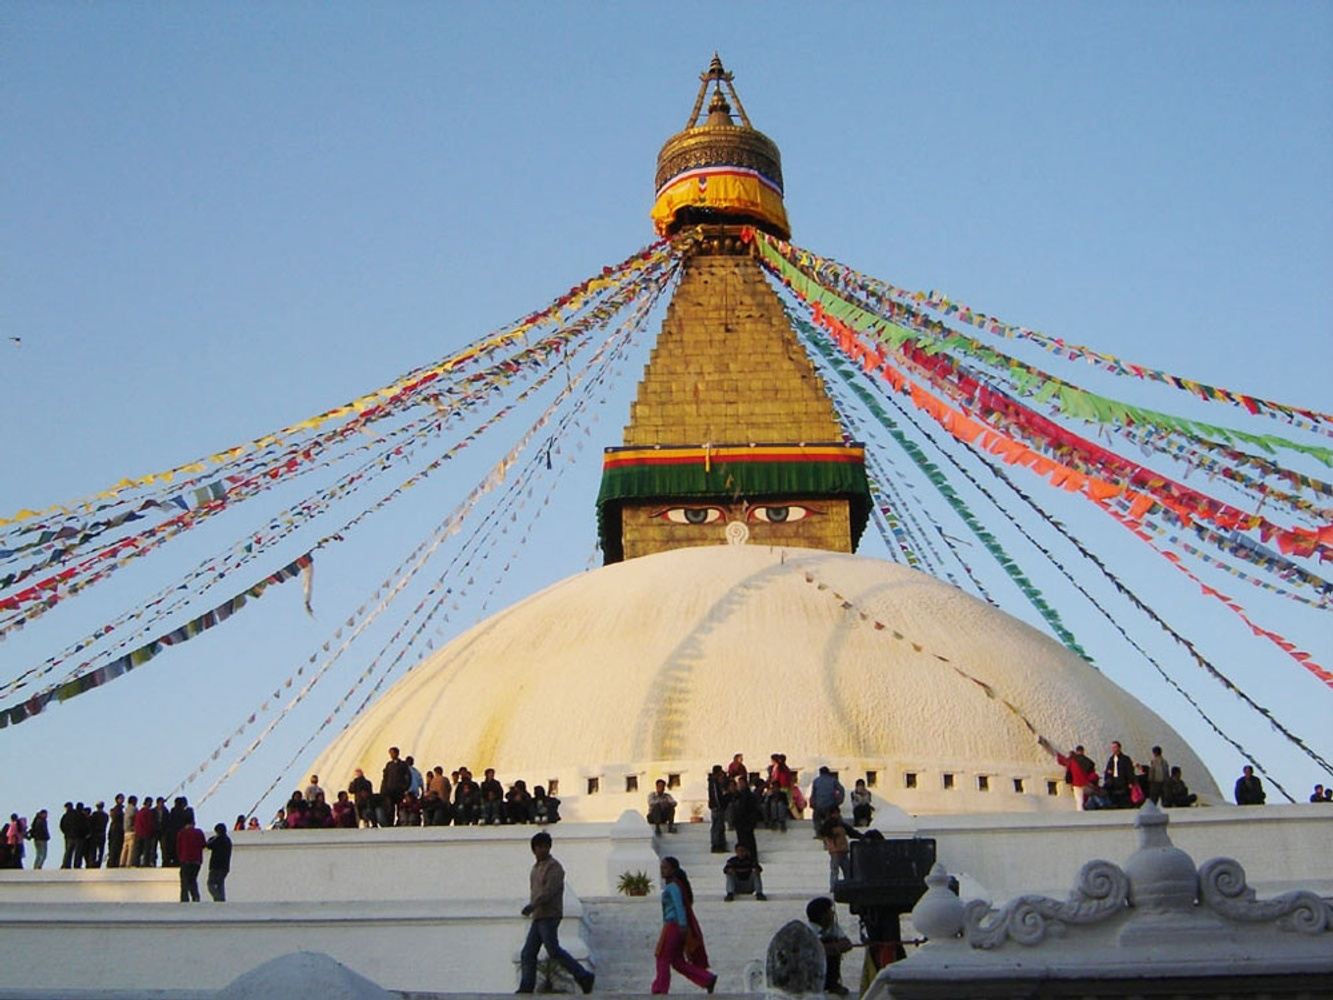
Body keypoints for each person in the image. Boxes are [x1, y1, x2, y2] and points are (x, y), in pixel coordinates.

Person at [516, 831, 594, 995]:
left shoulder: (555, 868)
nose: (543, 850)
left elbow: (549, 892)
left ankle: (583, 975)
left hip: (550, 915)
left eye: (545, 846)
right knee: (528, 952)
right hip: (539, 915)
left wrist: (532, 905)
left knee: (553, 950)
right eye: (539, 847)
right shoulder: (535, 869)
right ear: (534, 849)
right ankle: (526, 986)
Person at [652, 856, 716, 994]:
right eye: (661, 868)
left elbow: (679, 906)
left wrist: (682, 924)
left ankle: (660, 988)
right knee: (677, 961)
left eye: (665, 867)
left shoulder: (672, 887)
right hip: (676, 926)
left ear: (673, 869)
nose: (662, 870)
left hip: (673, 925)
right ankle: (706, 979)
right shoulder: (676, 885)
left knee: (662, 956)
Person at [806, 896, 854, 996]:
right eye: (830, 911)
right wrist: (834, 948)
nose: (833, 913)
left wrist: (831, 948)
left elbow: (847, 944)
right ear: (822, 915)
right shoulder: (808, 932)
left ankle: (833, 985)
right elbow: (813, 950)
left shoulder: (832, 928)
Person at [820, 809, 862, 892]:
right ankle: (846, 886)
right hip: (840, 850)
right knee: (845, 871)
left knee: (837, 871)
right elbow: (852, 832)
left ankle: (835, 887)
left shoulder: (828, 825)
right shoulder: (839, 825)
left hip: (837, 851)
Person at [175, 817, 206, 903]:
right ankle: (195, 897)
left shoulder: (181, 833)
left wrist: (180, 858)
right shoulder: (199, 832)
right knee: (193, 879)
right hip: (197, 860)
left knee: (184, 881)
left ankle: (185, 899)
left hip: (185, 860)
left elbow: (178, 847)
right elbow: (203, 845)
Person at [809, 766, 845, 835]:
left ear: (820, 773)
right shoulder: (833, 780)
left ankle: (819, 833)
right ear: (828, 773)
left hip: (819, 806)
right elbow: (841, 789)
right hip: (831, 806)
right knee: (836, 816)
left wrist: (813, 805)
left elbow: (813, 795)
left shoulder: (816, 781)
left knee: (816, 818)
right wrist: (839, 800)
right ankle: (838, 831)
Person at [380, 747, 411, 826]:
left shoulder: (403, 764)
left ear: (397, 753)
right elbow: (385, 778)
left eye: (392, 753)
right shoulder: (389, 765)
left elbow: (408, 777)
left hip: (399, 790)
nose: (391, 755)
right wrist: (384, 789)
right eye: (390, 753)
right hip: (390, 791)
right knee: (390, 808)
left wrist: (405, 787)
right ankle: (390, 822)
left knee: (400, 807)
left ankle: (400, 822)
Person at [205, 823, 232, 902]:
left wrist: (213, 838)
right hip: (225, 867)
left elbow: (208, 845)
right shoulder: (228, 840)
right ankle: (222, 899)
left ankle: (218, 898)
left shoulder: (217, 839)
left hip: (215, 866)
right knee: (220, 884)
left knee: (210, 884)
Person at [1103, 741, 1134, 809]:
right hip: (1114, 783)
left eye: (1115, 747)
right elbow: (1108, 770)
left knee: (1125, 800)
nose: (1113, 749)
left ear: (1119, 748)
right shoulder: (1111, 759)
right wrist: (1107, 776)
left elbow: (1130, 771)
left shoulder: (1125, 759)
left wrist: (1130, 782)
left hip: (1123, 782)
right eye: (1112, 748)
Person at [707, 766, 730, 853]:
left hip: (716, 807)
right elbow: (716, 796)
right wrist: (720, 805)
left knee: (718, 826)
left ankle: (719, 844)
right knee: (718, 827)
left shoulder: (713, 782)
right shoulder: (714, 783)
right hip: (717, 807)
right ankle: (717, 845)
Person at [119, 795, 138, 868]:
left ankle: (122, 862)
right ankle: (129, 863)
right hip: (132, 831)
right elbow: (135, 817)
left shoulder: (126, 809)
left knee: (125, 848)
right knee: (131, 848)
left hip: (126, 831)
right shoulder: (134, 809)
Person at [107, 794, 125, 869]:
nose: (122, 800)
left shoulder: (119, 809)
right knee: (115, 847)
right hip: (116, 831)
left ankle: (114, 862)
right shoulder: (117, 809)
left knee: (116, 847)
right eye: (121, 798)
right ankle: (112, 862)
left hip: (116, 830)